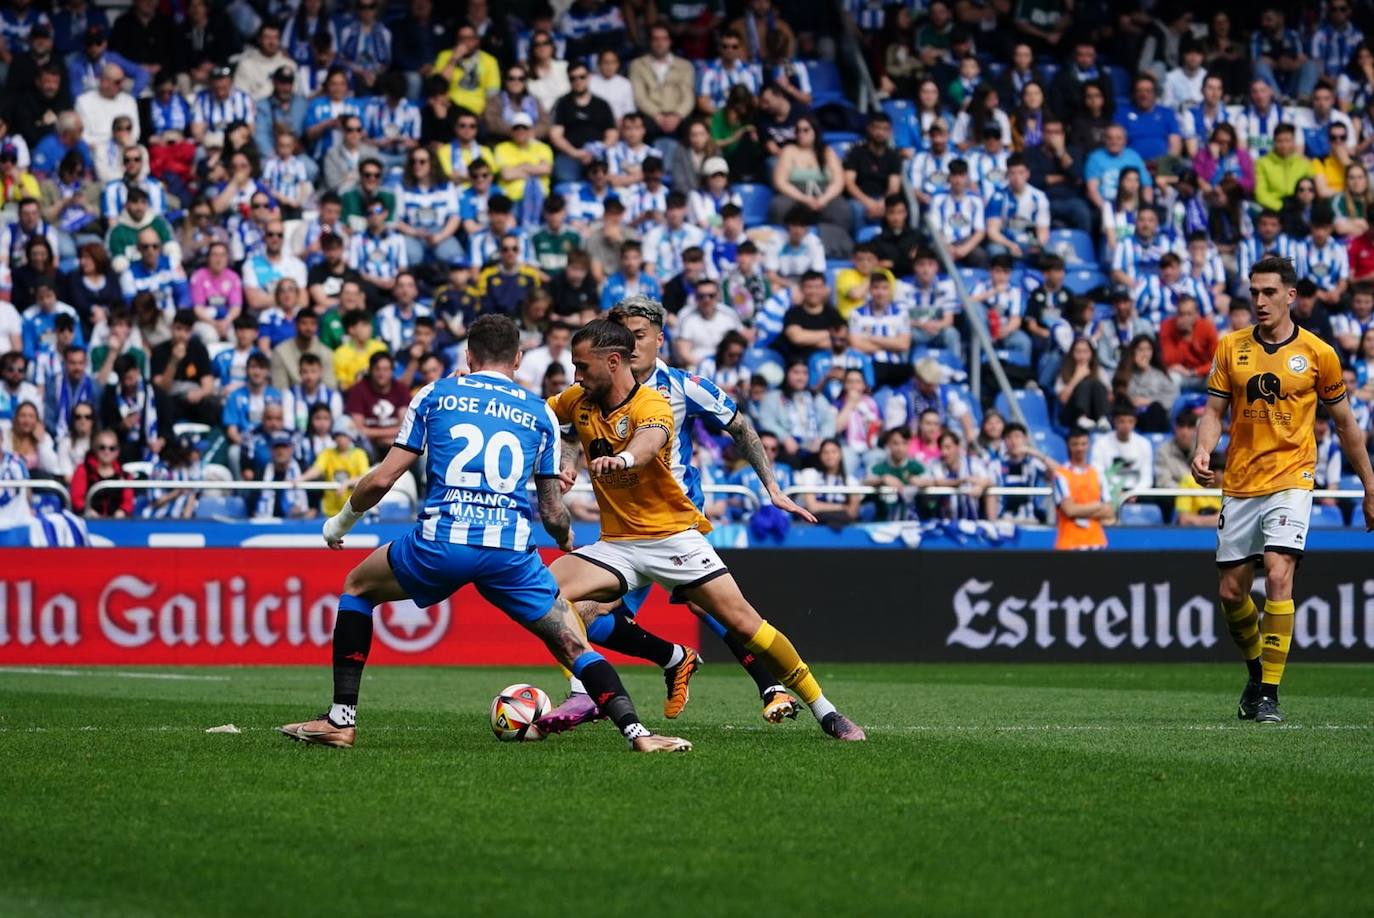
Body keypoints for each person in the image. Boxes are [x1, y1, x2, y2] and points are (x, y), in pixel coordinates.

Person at [279, 315, 690, 753]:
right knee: (572, 642)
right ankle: (639, 734)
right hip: (510, 554)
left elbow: (382, 480)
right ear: (517, 358)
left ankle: (342, 720)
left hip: (441, 543)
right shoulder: (539, 413)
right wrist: (565, 540)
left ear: (469, 355)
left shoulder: (437, 393)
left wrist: (338, 523)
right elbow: (552, 510)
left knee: (358, 587)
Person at [541, 319, 863, 741]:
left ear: (613, 361)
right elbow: (539, 412)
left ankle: (824, 708)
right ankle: (589, 689)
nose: (577, 375)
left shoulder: (652, 404)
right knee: (542, 594)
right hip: (617, 544)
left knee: (747, 624)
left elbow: (648, 443)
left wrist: (621, 460)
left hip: (672, 537)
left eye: (582, 366)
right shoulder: (578, 400)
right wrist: (484, 388)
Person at [1192, 255, 1374, 724]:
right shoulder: (1231, 347)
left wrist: (1370, 485)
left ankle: (1269, 693)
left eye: (1269, 292)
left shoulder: (1318, 353)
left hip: (1293, 478)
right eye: (1254, 292)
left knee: (1276, 576)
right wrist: (1202, 451)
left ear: (1290, 296)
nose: (1259, 300)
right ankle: (1257, 674)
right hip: (1241, 481)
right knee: (1232, 594)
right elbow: (1213, 412)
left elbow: (1346, 425)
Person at [1051, 429, 1113, 550]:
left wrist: (1079, 509)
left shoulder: (1097, 474)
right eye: (1075, 444)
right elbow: (1069, 510)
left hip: (1097, 543)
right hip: (1069, 544)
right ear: (1069, 446)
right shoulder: (1061, 475)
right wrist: (1097, 505)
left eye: (1083, 444)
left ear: (1088, 445)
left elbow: (1109, 511)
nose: (1080, 448)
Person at [69, 428, 132, 518]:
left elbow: (128, 503)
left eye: (112, 448)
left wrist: (122, 512)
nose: (107, 452)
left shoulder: (125, 475)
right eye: (102, 447)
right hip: (89, 521)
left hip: (118, 524)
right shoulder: (83, 470)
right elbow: (77, 499)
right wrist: (88, 511)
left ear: (117, 451)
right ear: (95, 449)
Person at [796, 438, 861, 523]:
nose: (830, 456)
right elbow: (812, 507)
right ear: (820, 455)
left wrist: (822, 506)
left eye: (833, 452)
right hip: (815, 525)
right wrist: (843, 507)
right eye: (825, 452)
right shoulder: (810, 474)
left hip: (842, 526)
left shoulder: (851, 481)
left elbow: (852, 512)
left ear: (840, 454)